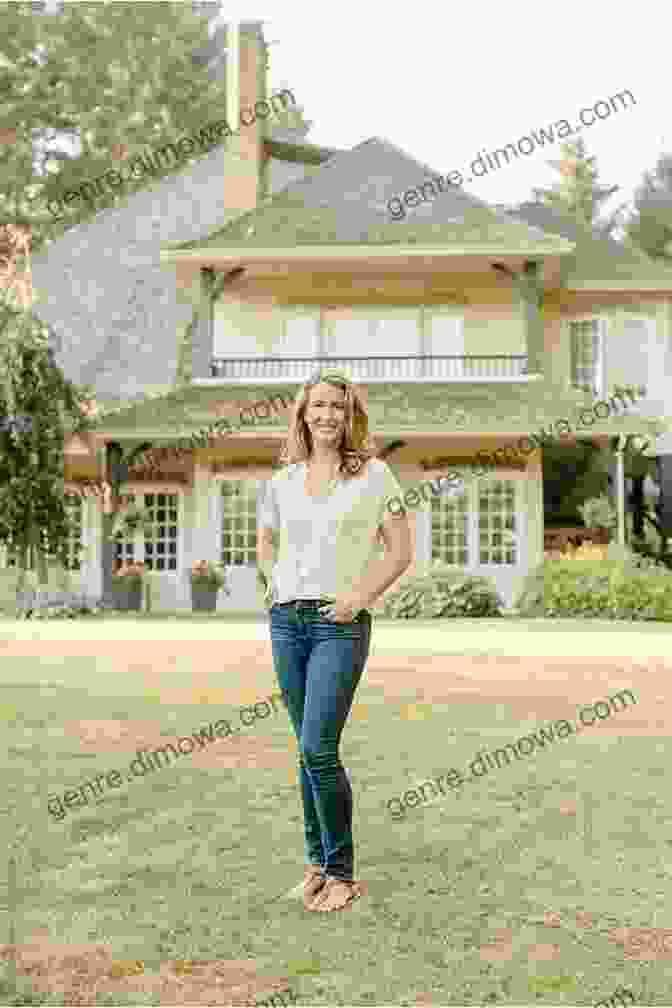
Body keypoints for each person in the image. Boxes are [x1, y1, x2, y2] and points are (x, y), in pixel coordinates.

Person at [257, 368, 412, 913]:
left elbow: (399, 551)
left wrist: (357, 600)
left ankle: (342, 873)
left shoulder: (375, 476)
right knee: (304, 751)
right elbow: (266, 540)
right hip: (286, 621)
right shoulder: (281, 481)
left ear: (351, 417)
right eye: (318, 405)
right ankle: (316, 867)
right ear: (302, 413)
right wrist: (270, 583)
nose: (327, 415)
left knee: (319, 749)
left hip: (338, 625)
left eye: (338, 408)